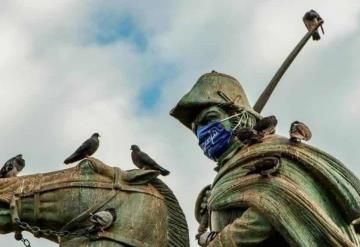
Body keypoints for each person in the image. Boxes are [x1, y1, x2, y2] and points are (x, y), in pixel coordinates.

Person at [170, 71, 360, 246]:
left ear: (238, 116)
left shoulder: (274, 148)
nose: (202, 132)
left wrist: (224, 241)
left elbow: (278, 203)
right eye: (196, 130)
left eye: (208, 119)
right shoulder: (225, 173)